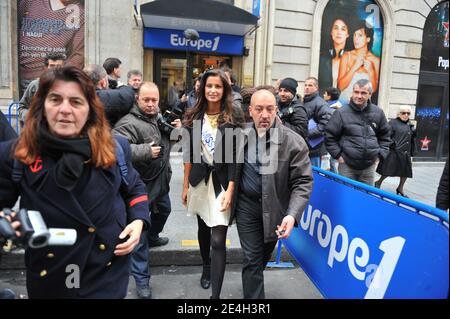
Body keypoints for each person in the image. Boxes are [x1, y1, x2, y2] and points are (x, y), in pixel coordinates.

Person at [0, 66, 150, 298]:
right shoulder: (17, 155)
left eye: (76, 102)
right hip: (52, 276)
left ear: (90, 109)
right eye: (55, 99)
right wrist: (7, 224)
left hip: (106, 273)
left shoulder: (116, 148)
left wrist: (139, 220)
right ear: (41, 106)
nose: (65, 110)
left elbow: (135, 187)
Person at [231, 89, 313, 299]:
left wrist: (291, 214)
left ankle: (253, 279)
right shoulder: (239, 135)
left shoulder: (294, 142)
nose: (264, 114)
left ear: (277, 110)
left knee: (260, 258)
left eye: (269, 109)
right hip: (246, 207)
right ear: (250, 111)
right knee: (252, 258)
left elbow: (303, 182)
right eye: (259, 109)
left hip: (275, 210)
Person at [113, 82, 181, 299]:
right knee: (138, 236)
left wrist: (177, 129)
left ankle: (154, 236)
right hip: (138, 188)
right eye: (147, 100)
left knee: (164, 211)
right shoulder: (127, 123)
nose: (151, 104)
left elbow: (175, 141)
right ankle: (142, 281)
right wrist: (144, 151)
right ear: (137, 100)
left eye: (154, 100)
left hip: (160, 184)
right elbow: (114, 148)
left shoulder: (158, 118)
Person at [181, 69, 244, 299]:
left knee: (218, 239)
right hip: (199, 180)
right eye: (209, 86)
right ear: (202, 88)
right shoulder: (193, 115)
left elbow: (237, 156)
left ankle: (215, 297)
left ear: (224, 89)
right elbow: (188, 153)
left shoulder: (233, 115)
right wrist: (185, 185)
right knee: (203, 229)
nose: (213, 90)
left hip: (222, 183)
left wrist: (231, 188)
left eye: (218, 86)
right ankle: (206, 267)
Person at [325, 79, 391, 186]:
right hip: (347, 166)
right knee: (346, 197)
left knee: (365, 198)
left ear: (370, 94)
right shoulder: (341, 112)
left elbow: (386, 136)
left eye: (363, 93)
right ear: (352, 92)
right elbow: (329, 136)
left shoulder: (378, 112)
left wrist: (379, 156)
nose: (359, 96)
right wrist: (338, 156)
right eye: (356, 92)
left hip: (369, 167)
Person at [18, 0, 84, 95]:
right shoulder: (30, 2)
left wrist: (59, 78)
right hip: (21, 77)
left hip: (53, 80)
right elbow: (13, 31)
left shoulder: (80, 13)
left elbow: (78, 56)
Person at [374, 105, 417, 197]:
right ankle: (378, 182)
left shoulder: (410, 124)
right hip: (394, 151)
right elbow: (386, 136)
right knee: (388, 170)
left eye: (408, 113)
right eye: (403, 113)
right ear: (399, 113)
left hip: (406, 152)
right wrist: (392, 144)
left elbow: (412, 138)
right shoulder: (392, 123)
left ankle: (400, 188)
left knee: (405, 172)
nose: (406, 115)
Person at [18, 52, 67, 128]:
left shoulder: (70, 87)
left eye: (59, 66)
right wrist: (31, 117)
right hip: (37, 132)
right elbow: (22, 107)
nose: (55, 69)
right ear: (46, 67)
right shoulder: (35, 85)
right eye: (52, 66)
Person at [338, 20, 381, 103]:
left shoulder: (375, 60)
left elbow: (373, 90)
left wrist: (371, 71)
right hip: (345, 102)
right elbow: (340, 87)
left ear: (368, 39)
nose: (356, 39)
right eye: (354, 35)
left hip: (363, 105)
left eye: (360, 35)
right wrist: (354, 67)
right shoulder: (347, 56)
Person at [303, 77, 333, 167]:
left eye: (310, 85)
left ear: (316, 88)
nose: (307, 87)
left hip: (315, 148)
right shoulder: (303, 101)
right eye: (305, 85)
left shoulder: (320, 103)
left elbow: (326, 124)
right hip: (306, 147)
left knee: (314, 176)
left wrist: (307, 133)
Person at [319, 17, 350, 95]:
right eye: (336, 28)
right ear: (331, 32)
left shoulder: (351, 58)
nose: (339, 32)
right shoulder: (322, 58)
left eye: (343, 29)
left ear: (347, 34)